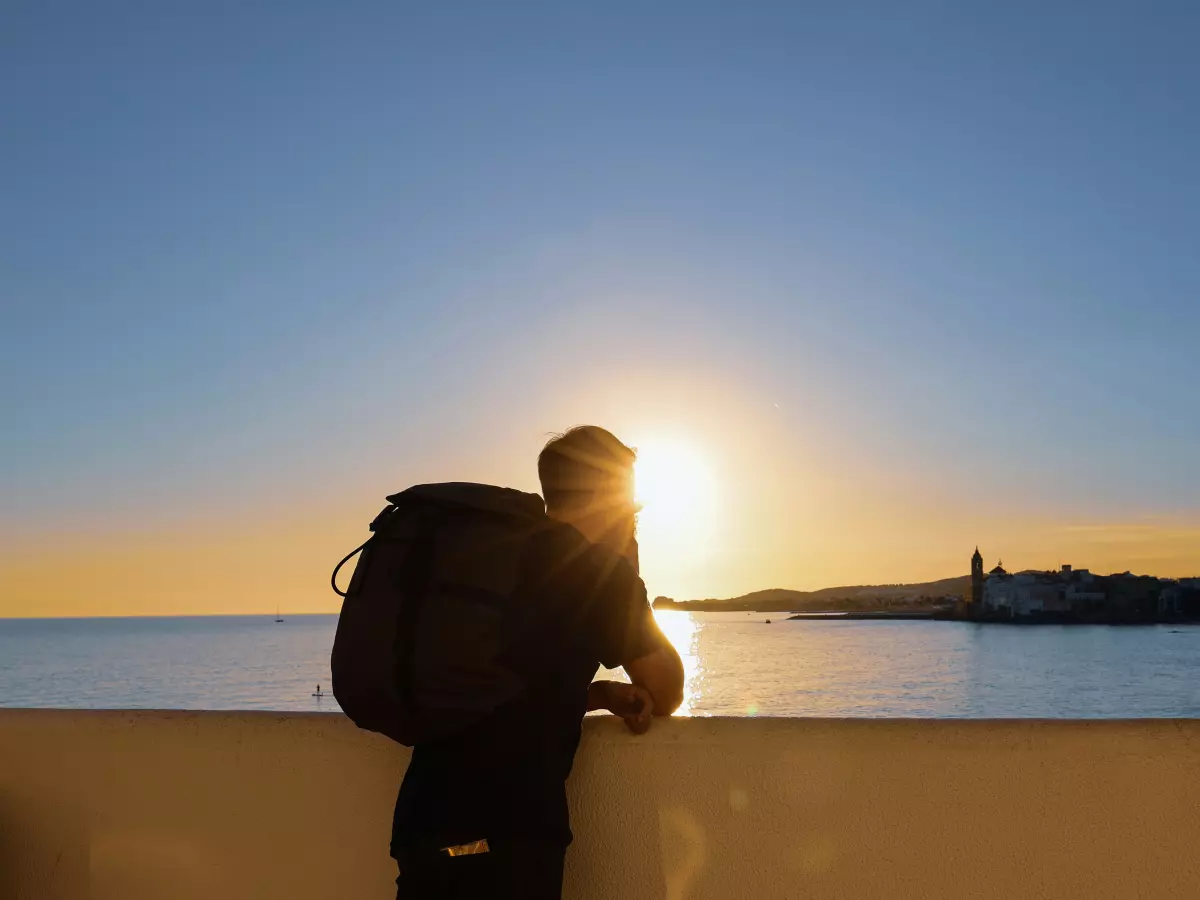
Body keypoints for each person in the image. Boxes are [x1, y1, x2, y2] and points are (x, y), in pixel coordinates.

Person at [391, 425, 685, 900]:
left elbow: (510, 682)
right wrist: (630, 574)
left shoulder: (500, 561)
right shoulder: (599, 574)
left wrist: (598, 694)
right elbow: (667, 689)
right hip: (504, 837)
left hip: (422, 822)